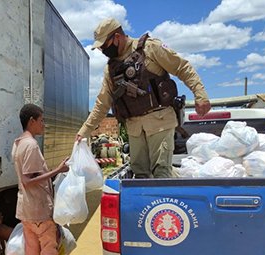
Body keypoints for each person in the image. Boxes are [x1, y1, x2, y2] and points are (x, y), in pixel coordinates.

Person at [76, 18, 211, 178]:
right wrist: (84, 132)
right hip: (135, 128)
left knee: (161, 174)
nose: (103, 50)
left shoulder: (150, 47)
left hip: (159, 121)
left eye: (104, 45)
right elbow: (102, 104)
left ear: (117, 36)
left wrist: (200, 94)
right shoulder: (110, 69)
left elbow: (182, 67)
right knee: (140, 176)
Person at [12, 104, 72, 255]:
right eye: (42, 120)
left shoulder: (18, 143)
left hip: (26, 211)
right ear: (32, 121)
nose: (44, 124)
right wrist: (58, 170)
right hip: (38, 210)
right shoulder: (30, 146)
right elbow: (29, 181)